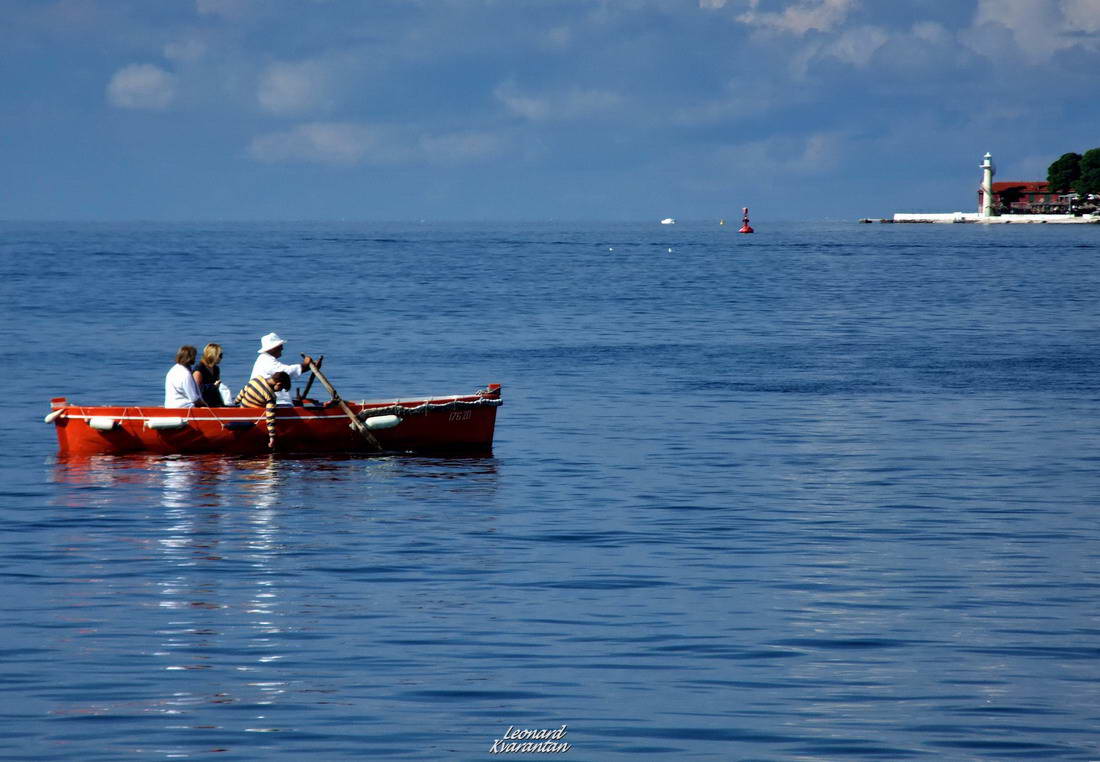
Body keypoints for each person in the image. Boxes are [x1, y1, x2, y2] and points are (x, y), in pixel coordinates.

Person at [250, 332, 314, 406]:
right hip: (269, 402)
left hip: (270, 400)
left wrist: (307, 367)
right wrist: (305, 364)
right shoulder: (266, 360)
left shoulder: (265, 359)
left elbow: (287, 374)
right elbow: (285, 373)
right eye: (280, 346)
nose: (282, 348)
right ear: (273, 348)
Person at [235, 371, 291, 450]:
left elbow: (243, 391)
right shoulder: (270, 396)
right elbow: (270, 418)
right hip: (253, 417)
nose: (279, 391)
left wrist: (236, 402)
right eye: (281, 389)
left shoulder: (256, 379)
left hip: (242, 408)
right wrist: (272, 437)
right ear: (278, 384)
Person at [193, 343, 225, 407]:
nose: (222, 358)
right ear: (213, 355)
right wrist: (213, 386)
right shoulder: (199, 369)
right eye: (220, 355)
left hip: (214, 402)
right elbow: (196, 389)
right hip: (203, 404)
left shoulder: (216, 369)